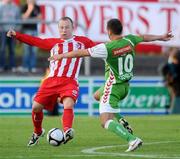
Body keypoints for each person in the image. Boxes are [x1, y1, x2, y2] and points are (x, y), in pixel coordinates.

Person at [48, 18, 173, 152]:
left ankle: (132, 139)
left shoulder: (106, 48)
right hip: (125, 87)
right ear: (121, 30)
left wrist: (61, 56)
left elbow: (81, 53)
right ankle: (121, 120)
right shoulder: (129, 40)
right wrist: (161, 37)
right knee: (97, 96)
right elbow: (144, 37)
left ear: (108, 31)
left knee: (105, 121)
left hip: (113, 86)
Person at [7, 16, 95, 147]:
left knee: (68, 104)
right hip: (51, 81)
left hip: (69, 81)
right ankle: (37, 132)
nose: (64, 30)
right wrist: (17, 35)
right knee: (36, 107)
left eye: (66, 27)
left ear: (72, 28)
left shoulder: (83, 42)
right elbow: (34, 41)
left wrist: (117, 48)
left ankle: (67, 130)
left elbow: (101, 48)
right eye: (61, 28)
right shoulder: (53, 43)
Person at [20, 0, 41, 73]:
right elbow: (24, 18)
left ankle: (32, 67)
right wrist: (30, 9)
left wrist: (30, 19)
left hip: (34, 31)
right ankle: (25, 67)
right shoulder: (24, 7)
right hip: (26, 31)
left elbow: (39, 18)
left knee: (34, 50)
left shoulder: (37, 7)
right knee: (26, 50)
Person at [0, 0, 21, 72]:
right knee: (2, 49)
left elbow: (18, 19)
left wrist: (16, 31)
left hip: (13, 31)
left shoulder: (16, 7)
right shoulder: (1, 6)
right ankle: (1, 66)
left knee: (12, 49)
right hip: (3, 31)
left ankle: (12, 66)